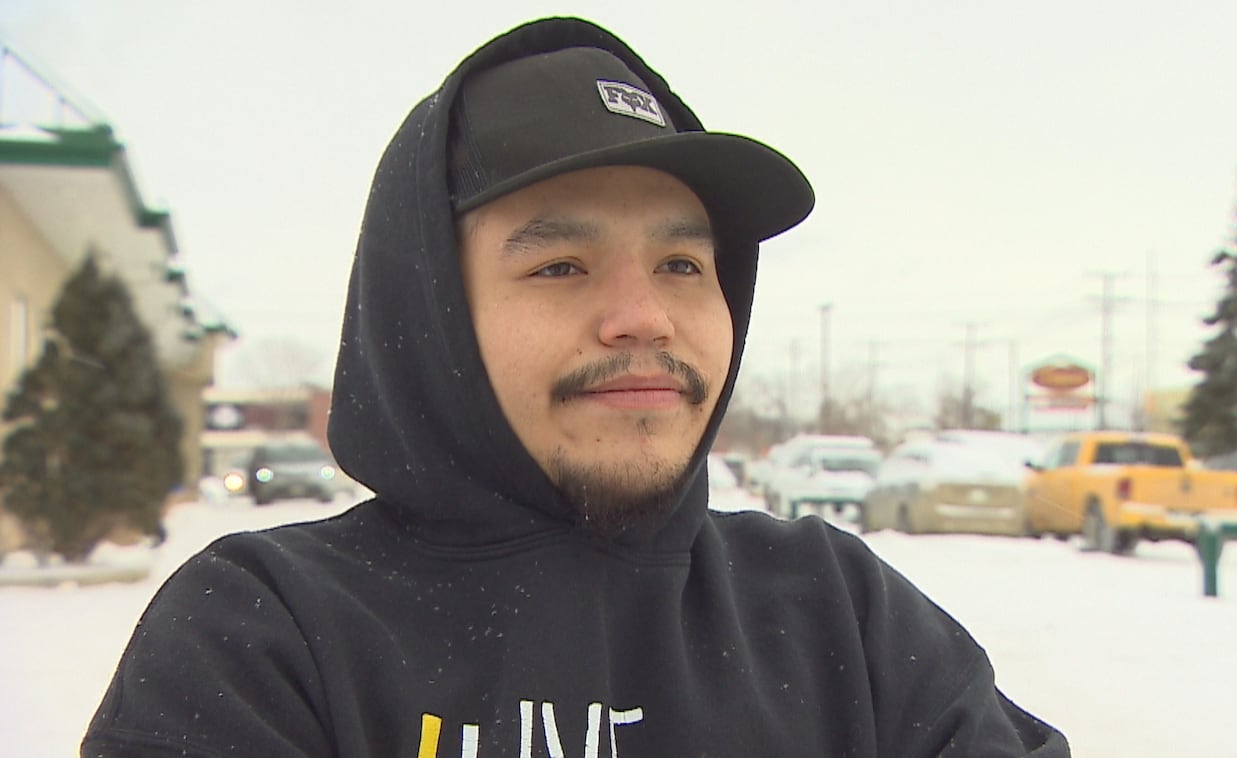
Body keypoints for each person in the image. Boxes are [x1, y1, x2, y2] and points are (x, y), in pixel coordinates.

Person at [83, 17, 1069, 757]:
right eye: (560, 265)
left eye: (684, 264)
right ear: (432, 315)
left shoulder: (835, 614)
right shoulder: (264, 633)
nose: (644, 314)